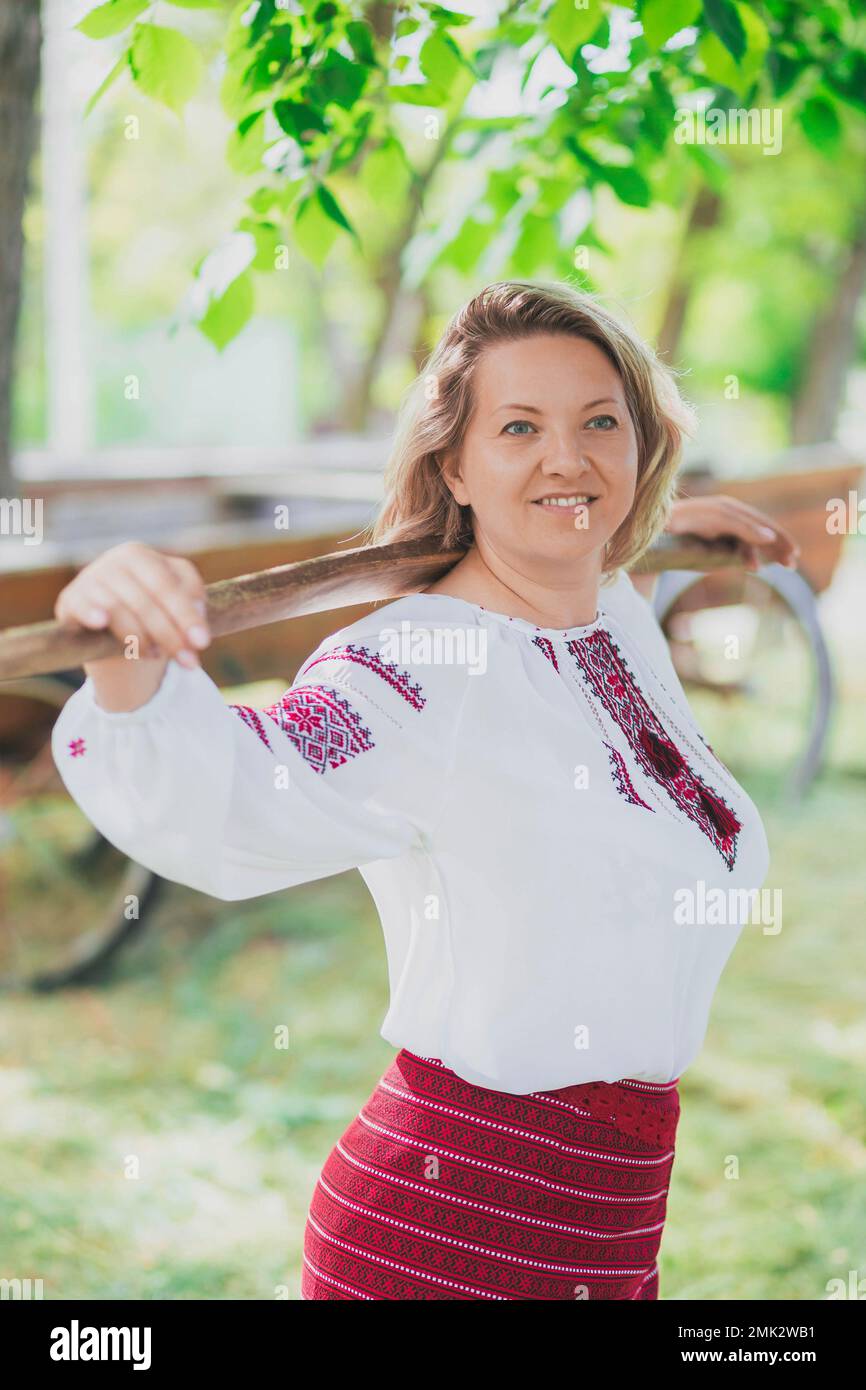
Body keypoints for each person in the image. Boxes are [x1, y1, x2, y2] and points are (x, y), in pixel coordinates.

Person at [51, 280, 798, 1301]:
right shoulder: (411, 666)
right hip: (449, 1232)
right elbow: (229, 792)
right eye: (519, 428)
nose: (567, 458)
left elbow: (596, 545)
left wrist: (661, 525)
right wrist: (125, 647)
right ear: (453, 461)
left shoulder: (604, 612)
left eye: (599, 424)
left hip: (605, 1231)